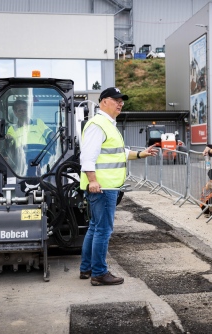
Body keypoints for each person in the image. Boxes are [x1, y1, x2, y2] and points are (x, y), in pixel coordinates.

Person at [79, 87, 157, 286]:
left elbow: (120, 152)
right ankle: (99, 272)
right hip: (103, 187)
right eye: (116, 100)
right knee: (103, 230)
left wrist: (141, 154)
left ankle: (87, 268)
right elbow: (87, 157)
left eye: (122, 100)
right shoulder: (98, 124)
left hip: (104, 186)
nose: (120, 103)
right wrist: (93, 180)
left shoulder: (108, 124)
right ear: (103, 101)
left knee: (95, 227)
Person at [5, 100, 55, 176]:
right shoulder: (12, 128)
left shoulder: (38, 122)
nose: (23, 112)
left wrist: (60, 136)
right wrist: (8, 138)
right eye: (20, 110)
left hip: (41, 157)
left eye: (25, 110)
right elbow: (9, 140)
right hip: (23, 158)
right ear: (15, 113)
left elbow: (50, 134)